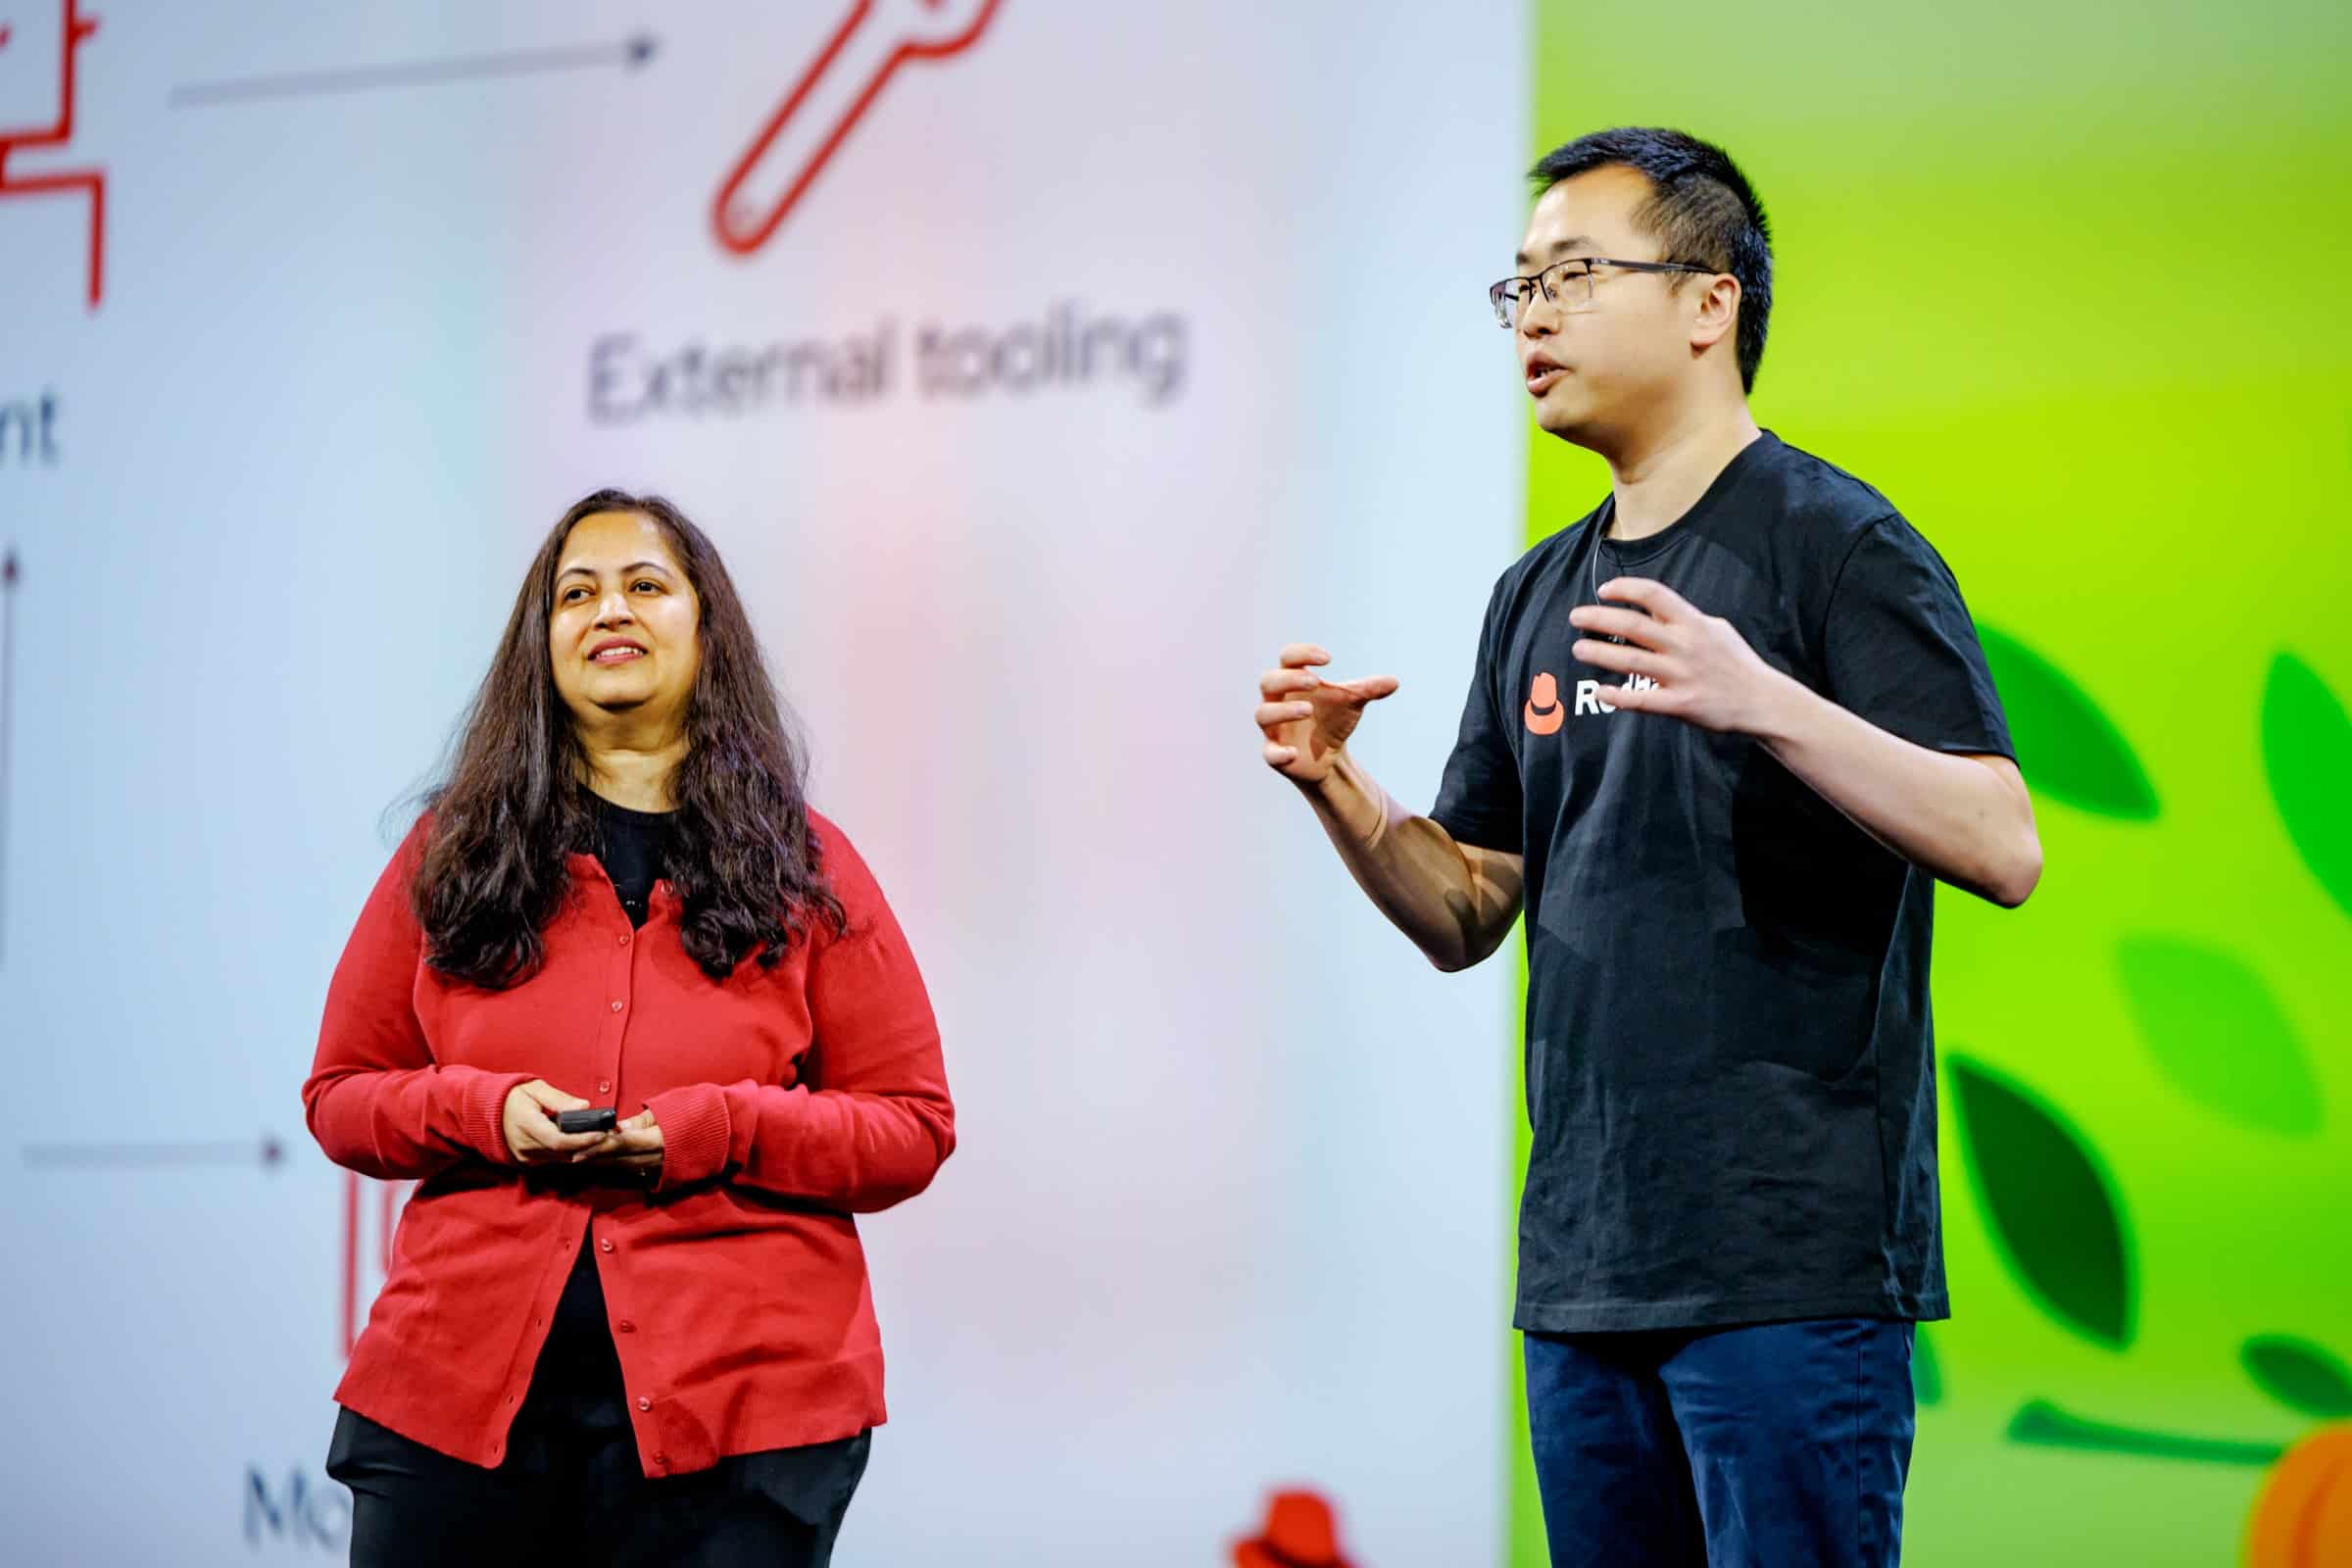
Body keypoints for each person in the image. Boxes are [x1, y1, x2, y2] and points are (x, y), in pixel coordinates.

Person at [1254, 127, 2041, 1566]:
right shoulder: (1533, 593)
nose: (1533, 316)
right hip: (1585, 1275)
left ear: (1707, 302)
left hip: (1785, 1270)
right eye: (1519, 289)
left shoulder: (1835, 543)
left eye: (1572, 275)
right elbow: (1467, 906)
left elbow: (2001, 841)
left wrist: (1768, 702)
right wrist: (1341, 790)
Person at [304, 488, 954, 1567]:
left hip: (745, 1427)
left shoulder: (810, 866)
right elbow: (341, 1095)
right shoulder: (449, 853)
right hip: (454, 1405)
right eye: (576, 592)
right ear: (541, 643)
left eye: (646, 585)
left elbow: (911, 1127)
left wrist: (718, 1129)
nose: (610, 609)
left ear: (706, 629)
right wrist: (486, 1110)